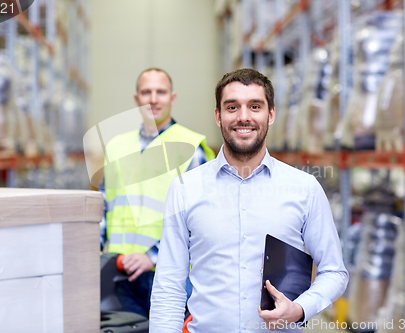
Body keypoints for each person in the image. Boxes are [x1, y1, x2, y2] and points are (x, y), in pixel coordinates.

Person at [149, 68, 349, 332]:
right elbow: (168, 285)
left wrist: (300, 309)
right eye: (232, 107)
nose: (243, 117)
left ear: (271, 114)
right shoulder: (185, 188)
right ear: (218, 116)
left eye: (255, 106)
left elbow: (335, 272)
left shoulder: (304, 189)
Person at [100, 68, 215, 318]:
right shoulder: (116, 146)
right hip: (120, 274)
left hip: (170, 276)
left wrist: (152, 256)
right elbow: (103, 205)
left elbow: (201, 219)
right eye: (146, 92)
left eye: (160, 92)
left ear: (172, 98)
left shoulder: (191, 148)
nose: (153, 99)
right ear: (136, 100)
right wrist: (94, 251)